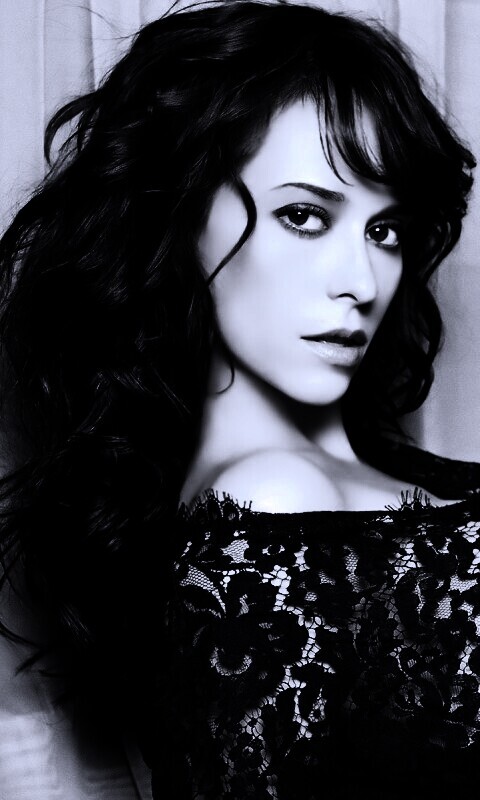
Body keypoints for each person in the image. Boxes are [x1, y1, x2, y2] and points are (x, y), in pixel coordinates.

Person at [0, 1, 479, 798]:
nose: (362, 283)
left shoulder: (324, 485)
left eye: (385, 230)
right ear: (180, 214)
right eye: (304, 216)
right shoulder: (270, 506)